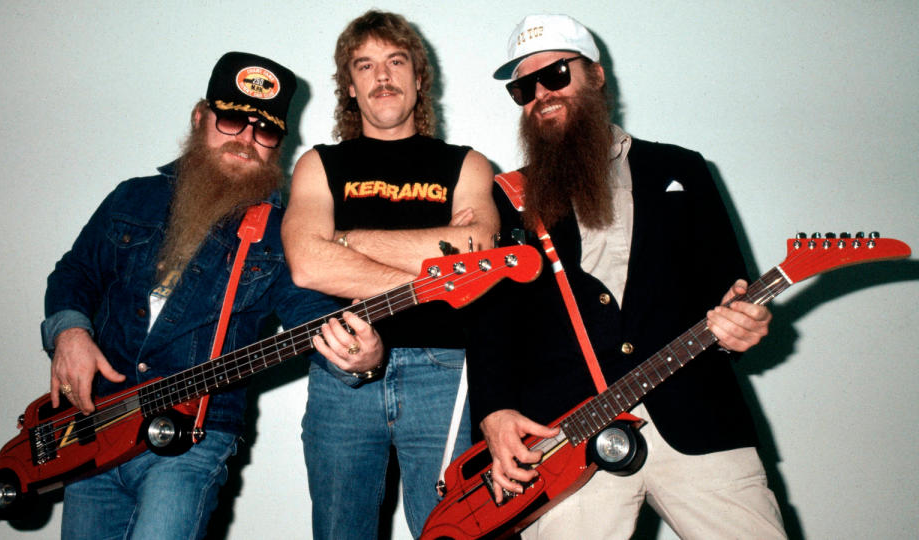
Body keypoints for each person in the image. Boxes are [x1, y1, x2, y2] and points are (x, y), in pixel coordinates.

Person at [465, 14, 787, 539]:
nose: (540, 94)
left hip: (697, 420)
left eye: (556, 75)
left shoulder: (684, 170)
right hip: (565, 440)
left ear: (595, 75)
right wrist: (493, 412)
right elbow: (489, 319)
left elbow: (731, 293)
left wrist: (740, 331)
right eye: (523, 87)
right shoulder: (507, 198)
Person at [42, 51, 383, 540]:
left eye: (264, 130)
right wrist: (70, 332)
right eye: (232, 120)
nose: (246, 139)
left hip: (189, 442)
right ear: (201, 118)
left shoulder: (281, 232)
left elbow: (315, 316)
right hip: (95, 428)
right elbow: (74, 274)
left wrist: (362, 358)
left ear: (278, 147)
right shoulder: (131, 198)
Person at [280, 10, 498, 539]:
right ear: (349, 87)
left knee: (453, 530)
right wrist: (435, 271)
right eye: (365, 65)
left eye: (396, 61)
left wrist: (345, 240)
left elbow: (479, 251)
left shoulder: (467, 165)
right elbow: (307, 264)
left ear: (418, 79)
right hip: (341, 370)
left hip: (445, 371)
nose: (382, 76)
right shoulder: (319, 165)